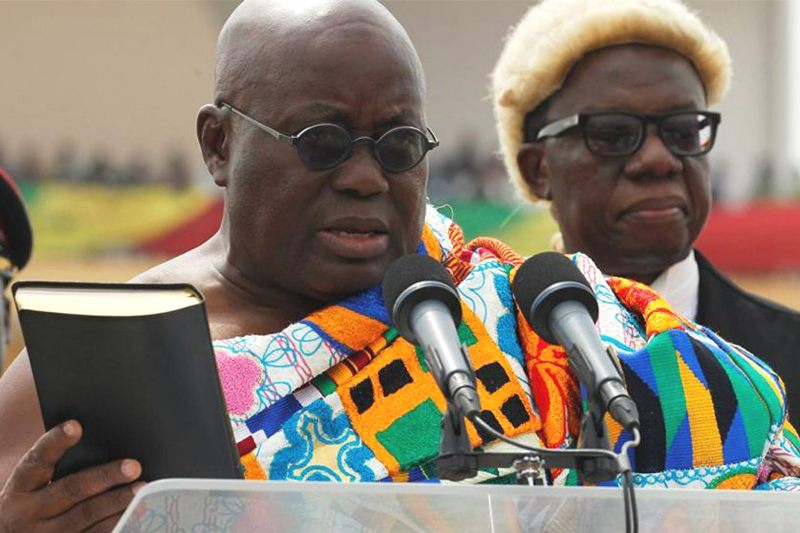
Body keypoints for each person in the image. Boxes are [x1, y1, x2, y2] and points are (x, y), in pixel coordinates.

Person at [0, 0, 798, 530]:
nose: (365, 176)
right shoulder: (122, 350)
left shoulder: (499, 307)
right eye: (322, 142)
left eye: (398, 145)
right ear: (218, 143)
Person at [491, 0, 800, 420]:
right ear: (538, 169)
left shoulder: (788, 356)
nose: (658, 160)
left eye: (683, 131)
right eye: (613, 134)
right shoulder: (486, 364)